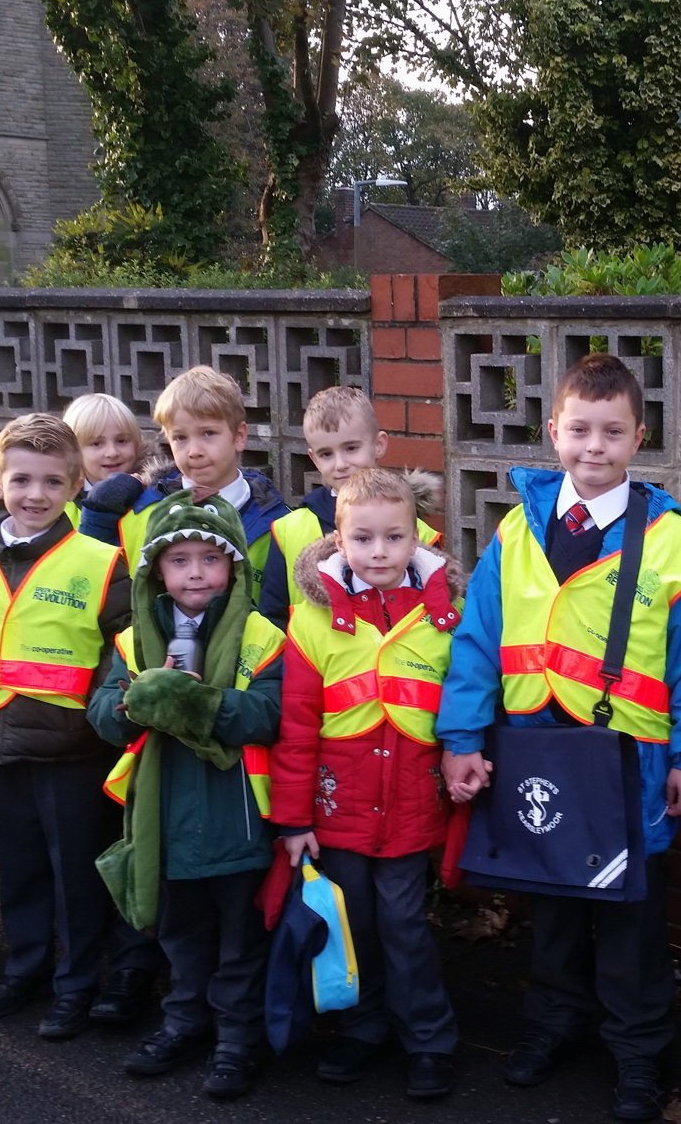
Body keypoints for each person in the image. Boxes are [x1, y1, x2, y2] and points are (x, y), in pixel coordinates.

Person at [436, 353, 681, 1122]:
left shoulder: (677, 544)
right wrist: (462, 737)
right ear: (553, 431)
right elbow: (476, 642)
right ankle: (552, 1025)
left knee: (631, 921)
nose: (594, 447)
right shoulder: (514, 531)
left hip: (630, 763)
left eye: (613, 432)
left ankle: (638, 1054)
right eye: (580, 430)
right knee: (554, 910)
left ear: (639, 439)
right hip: (534, 750)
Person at [0, 414, 148, 1038]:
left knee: (76, 879)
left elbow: (125, 649)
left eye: (52, 482)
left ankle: (76, 985)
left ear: (75, 486)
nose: (35, 494)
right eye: (22, 479)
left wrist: (101, 720)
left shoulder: (100, 560)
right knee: (20, 868)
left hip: (71, 751)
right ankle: (26, 971)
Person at [273, 467, 462, 1101]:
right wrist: (295, 821)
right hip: (338, 809)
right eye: (363, 539)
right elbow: (296, 731)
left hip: (410, 806)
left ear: (417, 538)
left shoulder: (446, 616)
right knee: (351, 926)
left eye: (394, 538)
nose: (378, 552)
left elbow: (465, 705)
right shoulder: (311, 621)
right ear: (338, 538)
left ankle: (429, 1039)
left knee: (405, 925)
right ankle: (362, 1027)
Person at [89, 494, 286, 1100]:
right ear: (156, 570)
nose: (195, 572)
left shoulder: (262, 635)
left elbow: (273, 713)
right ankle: (184, 1023)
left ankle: (236, 1038)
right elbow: (101, 713)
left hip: (239, 822)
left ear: (234, 567)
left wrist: (202, 703)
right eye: (178, 560)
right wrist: (136, 701)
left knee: (239, 940)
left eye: (210, 558)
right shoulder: (132, 640)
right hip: (165, 820)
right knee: (180, 935)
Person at [76, 366, 291, 580]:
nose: (194, 451)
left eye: (208, 433)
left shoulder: (280, 525)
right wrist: (98, 514)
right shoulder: (140, 513)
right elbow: (94, 583)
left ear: (239, 436)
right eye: (180, 438)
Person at [256, 386, 439, 629]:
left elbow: (439, 614)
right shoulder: (288, 530)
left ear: (379, 444)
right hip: (315, 665)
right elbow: (273, 622)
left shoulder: (421, 532)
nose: (340, 464)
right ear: (313, 458)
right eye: (326, 454)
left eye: (351, 448)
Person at [63, 392, 147, 528]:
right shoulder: (59, 504)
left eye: (122, 441)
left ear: (137, 444)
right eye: (96, 443)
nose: (112, 452)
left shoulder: (155, 496)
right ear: (74, 451)